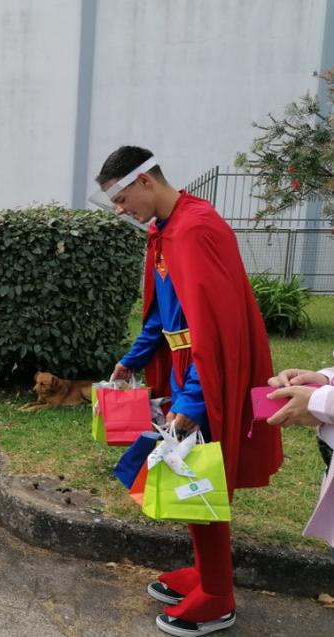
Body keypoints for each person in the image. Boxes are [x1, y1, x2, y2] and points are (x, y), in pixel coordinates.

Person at [100, 146, 283, 636]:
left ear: (144, 181)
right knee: (187, 473)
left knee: (200, 474)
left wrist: (193, 402)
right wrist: (131, 361)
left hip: (206, 372)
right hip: (187, 367)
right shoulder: (166, 232)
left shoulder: (197, 227)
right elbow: (163, 315)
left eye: (120, 198)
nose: (121, 210)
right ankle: (205, 575)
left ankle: (218, 598)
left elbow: (214, 327)